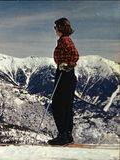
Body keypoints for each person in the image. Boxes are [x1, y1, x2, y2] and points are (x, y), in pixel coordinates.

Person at [48, 17, 79, 145]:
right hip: (64, 72)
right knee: (65, 105)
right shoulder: (62, 40)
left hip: (65, 74)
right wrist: (66, 66)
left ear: (60, 28)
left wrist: (68, 65)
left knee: (58, 105)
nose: (54, 30)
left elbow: (75, 55)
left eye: (56, 27)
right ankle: (66, 135)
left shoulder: (65, 40)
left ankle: (63, 135)